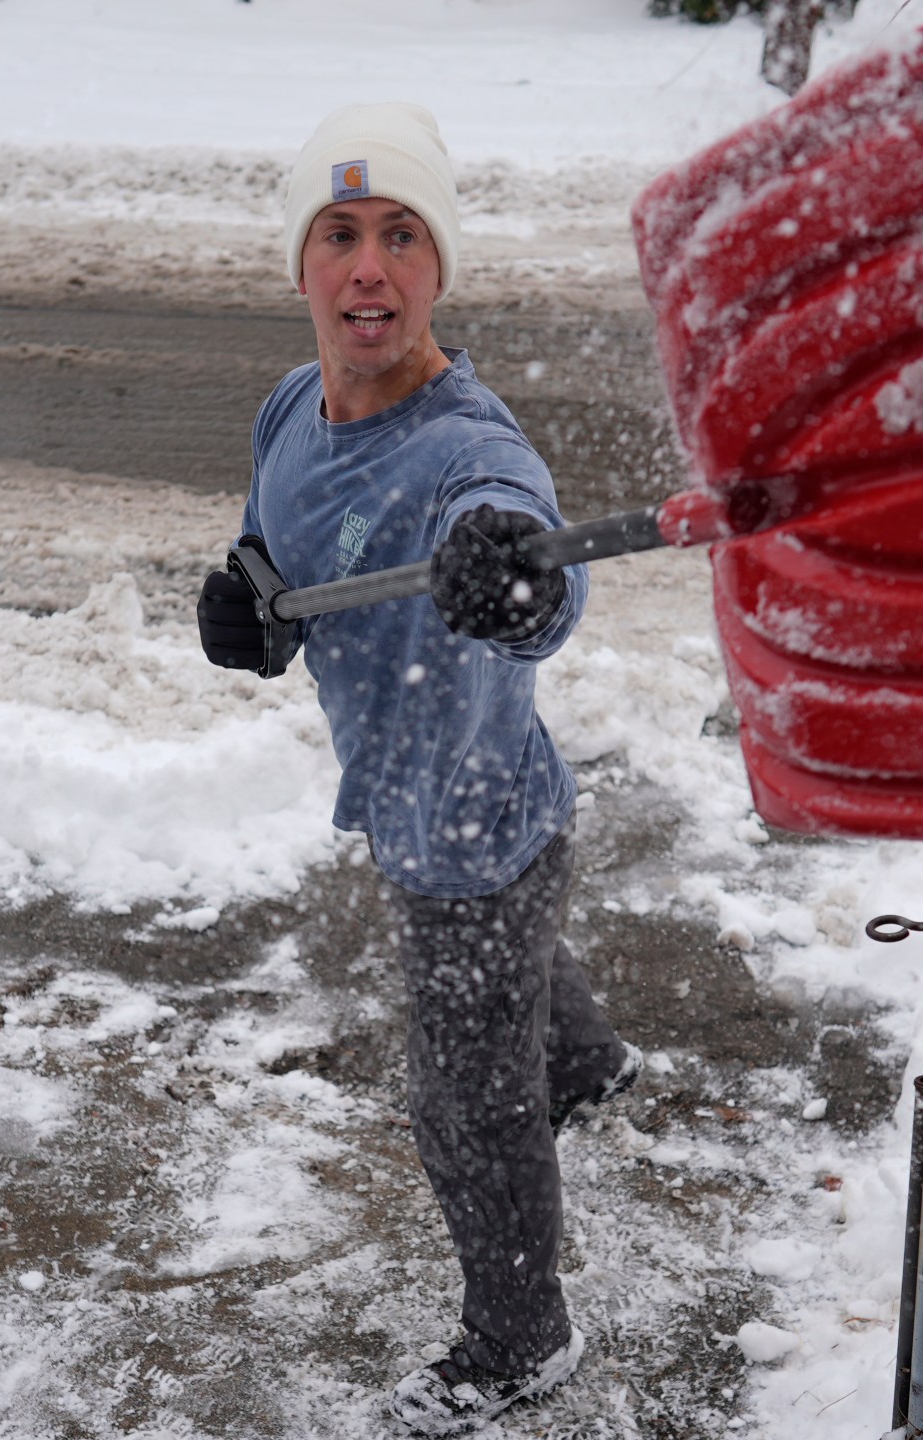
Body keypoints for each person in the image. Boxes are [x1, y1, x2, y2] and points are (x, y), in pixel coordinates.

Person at [194, 101, 642, 1436]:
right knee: (518, 997)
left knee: (463, 1103)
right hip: (440, 795)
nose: (368, 266)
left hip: (472, 832)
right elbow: (279, 554)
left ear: (439, 268)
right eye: (339, 235)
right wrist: (245, 600)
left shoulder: (468, 449)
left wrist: (509, 575)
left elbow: (531, 563)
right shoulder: (291, 404)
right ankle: (593, 1065)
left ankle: (520, 1340)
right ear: (303, 268)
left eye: (401, 234)